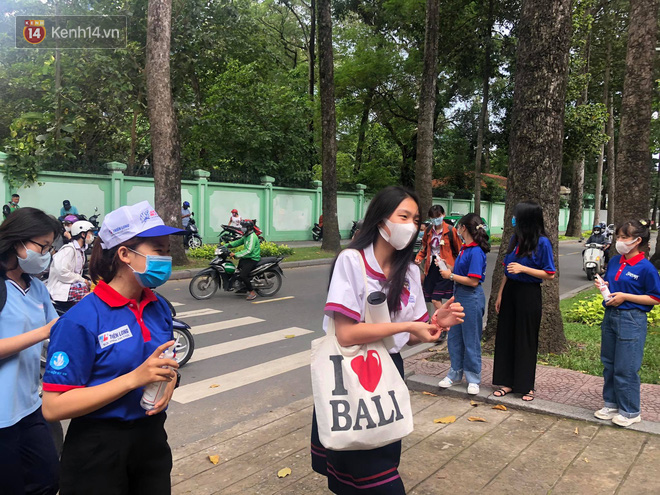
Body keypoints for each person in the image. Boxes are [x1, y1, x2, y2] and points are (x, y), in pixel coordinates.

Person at [310, 186, 465, 494]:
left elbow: (409, 337)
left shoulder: (409, 271)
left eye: (415, 219)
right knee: (366, 477)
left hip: (388, 371)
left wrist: (434, 327)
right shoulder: (351, 261)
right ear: (381, 220)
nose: (410, 225)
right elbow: (346, 333)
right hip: (348, 373)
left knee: (378, 460)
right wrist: (407, 326)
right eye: (403, 216)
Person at [41, 201, 185, 494]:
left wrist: (171, 381)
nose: (166, 259)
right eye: (158, 250)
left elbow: (162, 364)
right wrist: (134, 379)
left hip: (151, 441)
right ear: (124, 254)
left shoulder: (157, 308)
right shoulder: (81, 320)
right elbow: (53, 406)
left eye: (168, 250)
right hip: (97, 450)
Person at [0, 207, 61, 495]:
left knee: (48, 478)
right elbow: (47, 331)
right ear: (18, 241)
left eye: (50, 247)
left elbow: (57, 331)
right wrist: (42, 333)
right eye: (43, 246)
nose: (47, 254)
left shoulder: (36, 287)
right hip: (1, 416)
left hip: (30, 406)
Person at [594, 219, 660, 427]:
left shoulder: (646, 268)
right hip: (611, 316)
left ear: (637, 240)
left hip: (631, 319)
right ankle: (611, 402)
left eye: (624, 238)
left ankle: (631, 411)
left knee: (626, 366)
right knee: (609, 363)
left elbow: (655, 298)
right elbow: (613, 283)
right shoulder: (615, 261)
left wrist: (625, 296)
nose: (619, 241)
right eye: (618, 237)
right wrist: (604, 285)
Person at [492, 201, 556, 402]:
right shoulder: (515, 239)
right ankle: (507, 382)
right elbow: (507, 268)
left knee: (525, 338)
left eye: (516, 216)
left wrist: (524, 269)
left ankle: (526, 385)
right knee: (506, 336)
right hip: (510, 290)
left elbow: (549, 273)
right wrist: (501, 293)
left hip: (529, 293)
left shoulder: (543, 243)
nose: (513, 219)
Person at [437, 213, 490, 395]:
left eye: (458, 227)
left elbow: (473, 281)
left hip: (471, 297)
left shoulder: (475, 251)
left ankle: (473, 377)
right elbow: (461, 272)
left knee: (471, 338)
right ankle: (455, 373)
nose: (456, 230)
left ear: (464, 228)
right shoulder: (465, 249)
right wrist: (448, 267)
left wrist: (450, 276)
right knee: (455, 338)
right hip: (458, 296)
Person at [415, 204, 461, 340]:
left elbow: (459, 251)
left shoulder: (450, 231)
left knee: (436, 299)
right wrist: (419, 257)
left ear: (443, 215)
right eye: (433, 217)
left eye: (438, 217)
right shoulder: (429, 231)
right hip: (431, 267)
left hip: (445, 267)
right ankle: (442, 322)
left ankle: (442, 326)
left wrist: (454, 268)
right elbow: (424, 248)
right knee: (431, 298)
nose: (436, 220)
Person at [47, 220, 95, 313]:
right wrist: (82, 280)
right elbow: (62, 272)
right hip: (60, 287)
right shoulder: (69, 250)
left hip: (69, 285)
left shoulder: (79, 251)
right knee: (85, 290)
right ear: (82, 235)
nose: (92, 236)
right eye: (90, 233)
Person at [227, 219, 261, 301]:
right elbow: (238, 242)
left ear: (248, 228)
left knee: (243, 275)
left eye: (244, 227)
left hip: (252, 259)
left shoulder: (252, 237)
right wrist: (226, 245)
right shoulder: (246, 236)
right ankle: (243, 288)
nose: (242, 228)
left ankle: (252, 292)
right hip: (246, 258)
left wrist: (236, 254)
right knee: (237, 271)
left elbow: (248, 251)